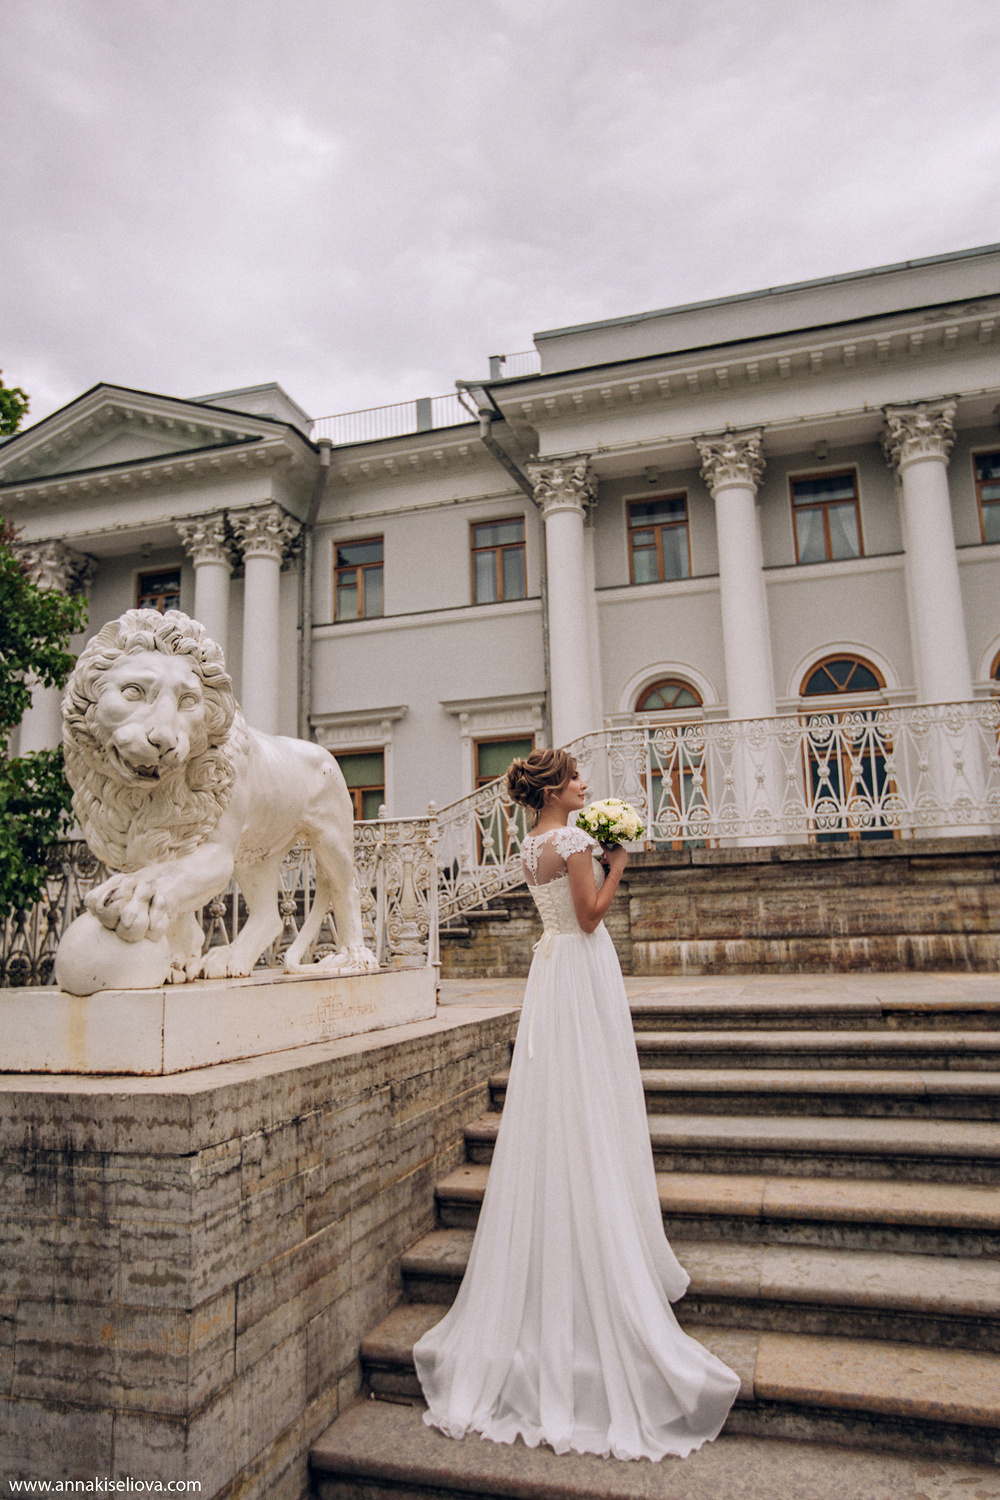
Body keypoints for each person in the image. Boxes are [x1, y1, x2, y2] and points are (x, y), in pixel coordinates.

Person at [413, 747, 740, 1461]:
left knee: (563, 1094)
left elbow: (562, 917)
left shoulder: (531, 846)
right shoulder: (572, 840)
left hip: (552, 972)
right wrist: (619, 862)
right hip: (583, 966)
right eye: (576, 777)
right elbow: (591, 917)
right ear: (555, 790)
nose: (586, 784)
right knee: (596, 1090)